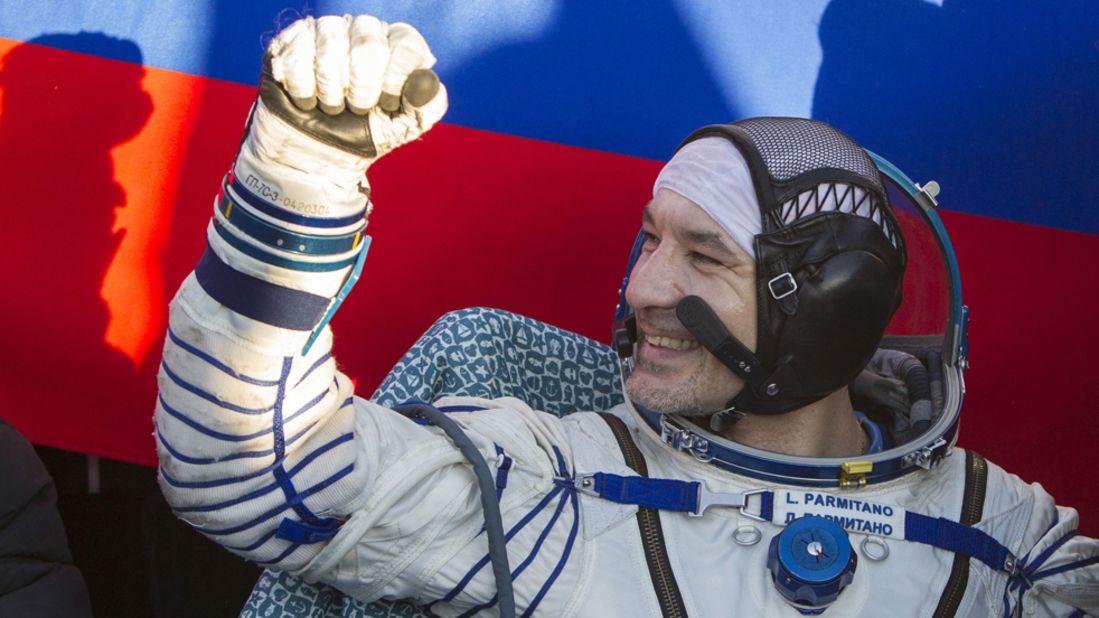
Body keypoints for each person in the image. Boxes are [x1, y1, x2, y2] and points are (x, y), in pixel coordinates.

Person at [155, 14, 1098, 617]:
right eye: (649, 239)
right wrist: (299, 170)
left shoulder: (1007, 547)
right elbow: (242, 471)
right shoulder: (555, 484)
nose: (645, 288)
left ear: (827, 311)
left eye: (702, 256)